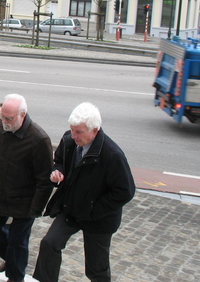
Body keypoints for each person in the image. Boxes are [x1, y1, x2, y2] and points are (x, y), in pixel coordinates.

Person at [33, 102, 135, 282]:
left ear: (95, 130)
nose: (73, 135)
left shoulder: (112, 155)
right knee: (49, 244)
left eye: (79, 132)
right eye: (72, 130)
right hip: (71, 208)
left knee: (97, 269)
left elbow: (125, 191)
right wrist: (58, 172)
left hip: (98, 218)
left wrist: (94, 209)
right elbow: (59, 161)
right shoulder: (69, 140)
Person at [0, 94, 53, 282]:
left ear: (23, 115)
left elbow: (44, 180)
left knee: (17, 242)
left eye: (9, 118)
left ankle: (15, 277)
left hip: (25, 202)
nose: (4, 121)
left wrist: (35, 209)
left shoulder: (38, 139)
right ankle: (13, 261)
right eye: (2, 116)